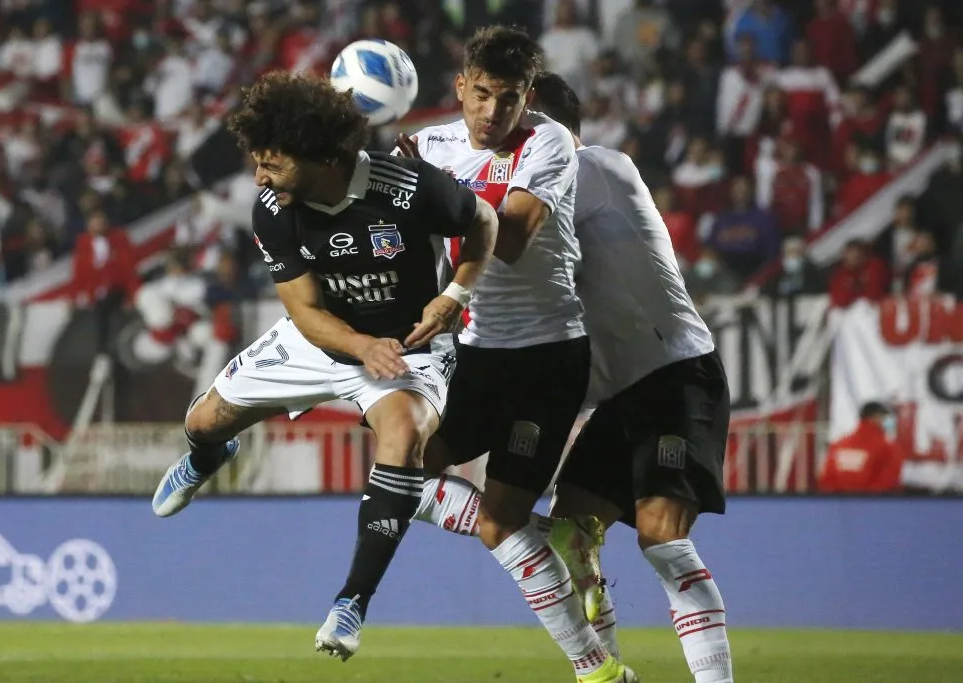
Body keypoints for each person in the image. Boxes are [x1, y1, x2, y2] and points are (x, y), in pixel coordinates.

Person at [148, 71, 499, 657]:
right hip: (320, 340)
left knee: (404, 432)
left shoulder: (408, 187)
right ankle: (209, 456)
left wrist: (455, 295)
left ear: (321, 158)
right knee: (202, 422)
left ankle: (350, 604)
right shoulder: (273, 209)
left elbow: (483, 221)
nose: (259, 178)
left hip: (409, 346)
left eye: (272, 165)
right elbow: (306, 312)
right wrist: (361, 347)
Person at [404, 73, 736, 683]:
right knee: (568, 535)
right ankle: (607, 669)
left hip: (675, 375)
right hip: (613, 394)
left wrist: (428, 178)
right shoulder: (526, 185)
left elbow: (503, 232)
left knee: (661, 538)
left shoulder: (598, 168)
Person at [383, 26, 629, 683]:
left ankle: (596, 668)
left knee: (498, 524)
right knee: (397, 470)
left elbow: (512, 238)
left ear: (528, 98)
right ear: (461, 86)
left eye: (511, 98)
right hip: (476, 354)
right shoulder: (429, 145)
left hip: (545, 360)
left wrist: (429, 188)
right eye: (483, 94)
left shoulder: (548, 142)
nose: (494, 111)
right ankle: (555, 537)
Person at [818, 401, 903, 493]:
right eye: (884, 417)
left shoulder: (839, 445)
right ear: (874, 417)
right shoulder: (888, 447)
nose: (887, 421)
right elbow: (890, 480)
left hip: (837, 500)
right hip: (872, 500)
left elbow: (826, 480)